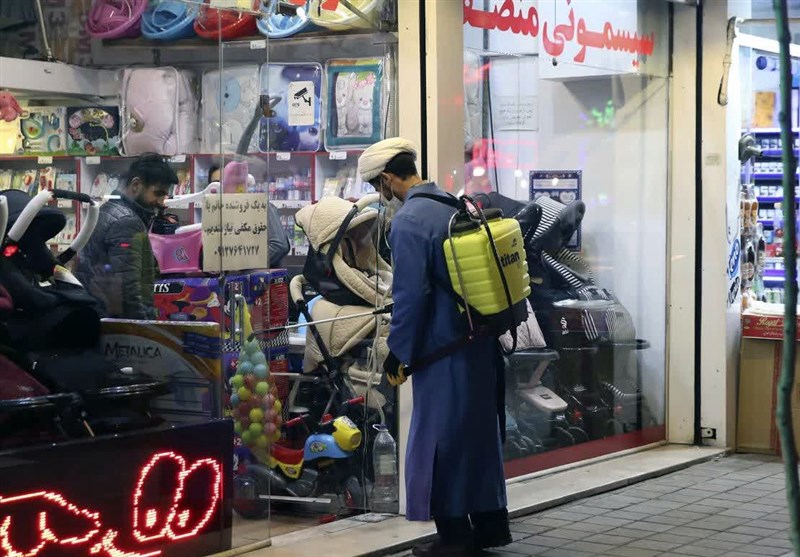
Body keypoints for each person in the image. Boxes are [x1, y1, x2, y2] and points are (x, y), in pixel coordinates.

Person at [357, 138, 511, 557]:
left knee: (438, 442)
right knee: (477, 440)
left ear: (388, 179)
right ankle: (490, 527)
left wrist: (397, 350)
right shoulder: (452, 203)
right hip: (480, 346)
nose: (379, 194)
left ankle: (454, 539)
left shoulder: (409, 220)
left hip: (443, 352)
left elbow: (410, 297)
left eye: (377, 185)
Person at [76, 153, 176, 320]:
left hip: (97, 316)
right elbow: (129, 291)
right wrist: (143, 332)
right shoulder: (127, 222)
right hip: (114, 324)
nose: (161, 201)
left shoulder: (109, 209)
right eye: (158, 193)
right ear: (136, 185)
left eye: (164, 195)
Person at [208, 164, 291, 268]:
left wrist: (242, 263)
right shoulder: (217, 214)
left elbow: (279, 245)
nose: (219, 188)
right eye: (215, 184)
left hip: (260, 280)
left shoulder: (259, 207)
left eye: (224, 182)